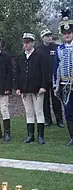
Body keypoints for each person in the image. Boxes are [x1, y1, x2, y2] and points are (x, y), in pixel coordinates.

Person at [14, 33, 49, 145]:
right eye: (24, 42)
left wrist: (44, 86)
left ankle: (40, 136)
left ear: (33, 43)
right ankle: (30, 135)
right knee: (29, 112)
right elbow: (18, 73)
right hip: (25, 88)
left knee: (39, 111)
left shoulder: (40, 55)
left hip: (37, 88)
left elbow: (45, 72)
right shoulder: (20, 56)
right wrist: (18, 87)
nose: (26, 44)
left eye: (28, 42)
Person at [37, 29, 64, 128]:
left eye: (50, 35)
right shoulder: (38, 49)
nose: (49, 37)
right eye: (47, 36)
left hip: (55, 78)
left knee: (56, 100)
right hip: (43, 78)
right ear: (42, 38)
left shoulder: (57, 47)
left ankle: (59, 120)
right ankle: (47, 120)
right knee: (45, 101)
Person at [54, 8, 73, 146]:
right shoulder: (59, 49)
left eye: (69, 33)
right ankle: (72, 136)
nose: (67, 35)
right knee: (68, 113)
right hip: (65, 85)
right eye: (65, 33)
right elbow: (56, 68)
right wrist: (56, 84)